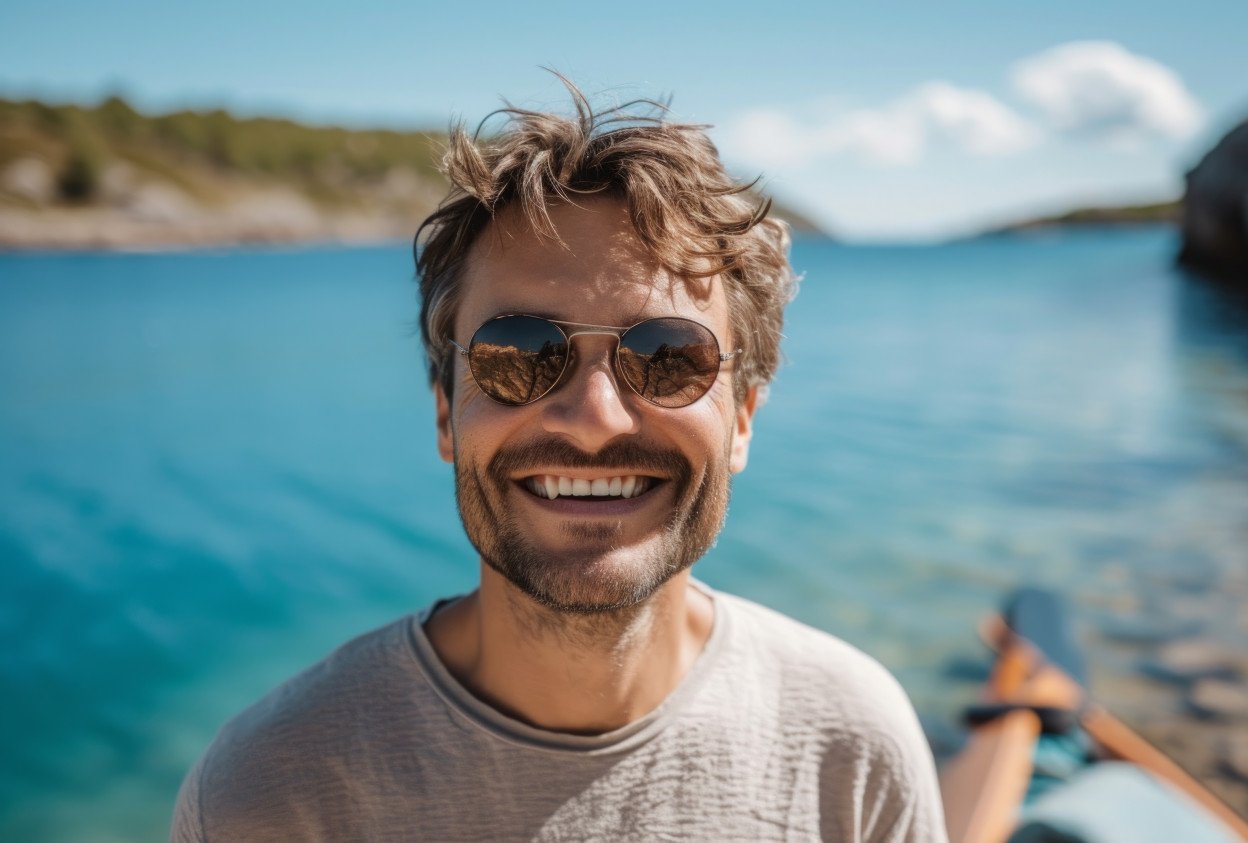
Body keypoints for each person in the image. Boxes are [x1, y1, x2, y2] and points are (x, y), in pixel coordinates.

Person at [170, 83, 947, 842]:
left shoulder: (851, 746)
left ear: (742, 418)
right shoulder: (269, 794)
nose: (594, 420)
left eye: (669, 355)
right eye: (519, 353)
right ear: (446, 409)